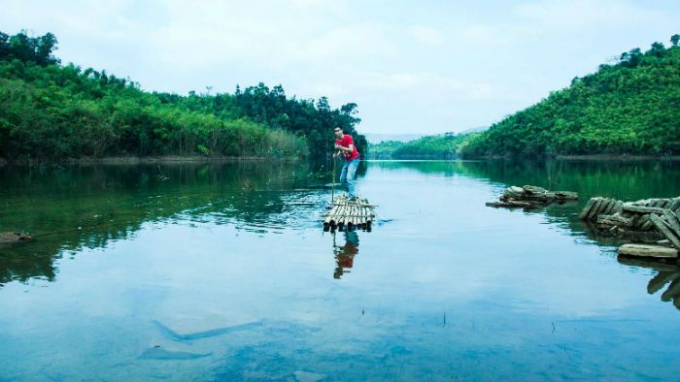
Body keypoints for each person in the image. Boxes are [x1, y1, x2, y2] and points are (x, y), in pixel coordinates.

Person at [333, 127, 360, 198]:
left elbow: (351, 149)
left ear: (342, 130)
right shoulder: (337, 141)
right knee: (342, 180)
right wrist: (336, 155)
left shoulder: (348, 138)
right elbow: (340, 150)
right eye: (335, 131)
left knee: (349, 178)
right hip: (347, 161)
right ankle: (351, 193)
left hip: (354, 159)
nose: (337, 132)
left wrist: (340, 148)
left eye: (338, 130)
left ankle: (352, 196)